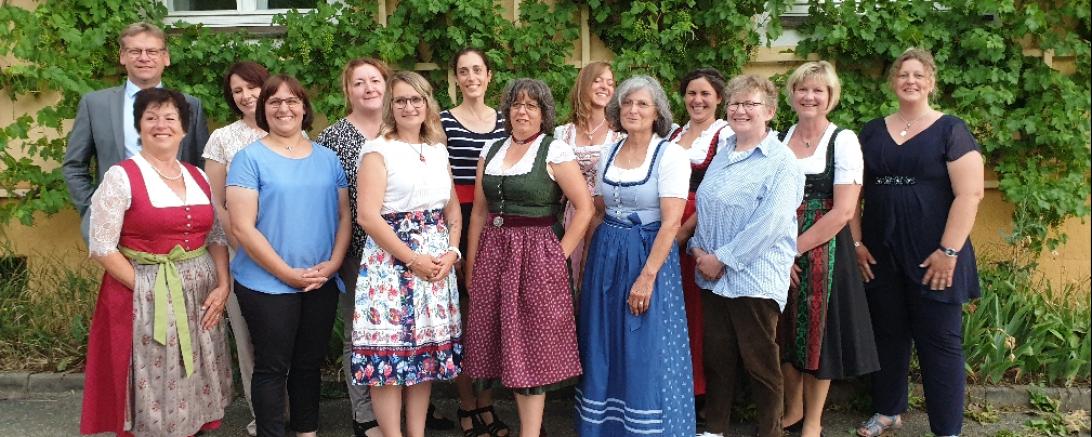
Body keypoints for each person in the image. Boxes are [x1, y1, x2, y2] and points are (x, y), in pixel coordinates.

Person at [80, 87, 232, 437]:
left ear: (183, 129)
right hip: (144, 296)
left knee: (192, 377)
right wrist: (148, 290)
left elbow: (216, 237)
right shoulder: (122, 177)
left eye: (169, 118)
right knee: (155, 379)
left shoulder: (198, 176)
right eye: (151, 118)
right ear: (140, 128)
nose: (160, 125)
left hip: (200, 295)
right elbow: (102, 246)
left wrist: (223, 285)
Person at [852, 48, 983, 437]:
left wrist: (949, 252)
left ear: (931, 82)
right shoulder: (872, 132)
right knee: (887, 334)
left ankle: (947, 429)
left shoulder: (951, 130)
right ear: (893, 82)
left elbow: (970, 194)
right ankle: (888, 410)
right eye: (903, 74)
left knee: (940, 343)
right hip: (881, 252)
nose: (910, 81)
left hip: (935, 257)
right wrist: (857, 243)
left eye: (918, 75)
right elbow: (853, 192)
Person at [463, 79, 594, 437]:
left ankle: (531, 433)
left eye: (531, 106)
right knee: (498, 340)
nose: (522, 111)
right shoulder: (490, 150)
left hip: (537, 256)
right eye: (516, 104)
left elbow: (583, 208)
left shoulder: (555, 152)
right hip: (494, 254)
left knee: (531, 345)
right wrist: (472, 267)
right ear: (506, 110)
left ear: (544, 114)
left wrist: (558, 255)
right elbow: (478, 212)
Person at [226, 75, 351, 437]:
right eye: (275, 102)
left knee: (308, 365)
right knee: (272, 367)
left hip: (320, 280)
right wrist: (287, 274)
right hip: (266, 284)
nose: (284, 108)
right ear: (264, 110)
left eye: (292, 100)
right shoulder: (248, 159)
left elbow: (344, 215)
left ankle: (306, 431)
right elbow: (242, 228)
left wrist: (333, 264)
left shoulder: (328, 159)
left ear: (304, 107)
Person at [575, 75, 695, 436]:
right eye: (627, 103)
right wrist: (584, 268)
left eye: (642, 103)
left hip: (647, 255)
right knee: (604, 342)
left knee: (644, 346)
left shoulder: (670, 154)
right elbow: (598, 209)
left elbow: (672, 221)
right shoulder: (609, 151)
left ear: (657, 111)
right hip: (606, 254)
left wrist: (647, 276)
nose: (633, 109)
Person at [689, 74, 804, 437]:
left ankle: (771, 431)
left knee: (760, 364)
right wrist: (698, 251)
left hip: (754, 277)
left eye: (750, 104)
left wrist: (721, 258)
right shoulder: (724, 153)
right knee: (718, 358)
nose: (740, 110)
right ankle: (714, 429)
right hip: (712, 275)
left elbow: (769, 224)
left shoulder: (783, 162)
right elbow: (707, 207)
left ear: (769, 112)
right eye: (735, 103)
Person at [352, 71, 463, 437]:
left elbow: (453, 212)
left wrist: (451, 253)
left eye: (416, 99)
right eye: (400, 100)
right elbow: (367, 216)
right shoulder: (377, 150)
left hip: (435, 266)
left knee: (423, 358)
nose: (409, 106)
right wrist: (412, 259)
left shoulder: (437, 150)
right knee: (388, 360)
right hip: (389, 266)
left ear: (427, 103)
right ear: (390, 106)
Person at [775, 61, 879, 437]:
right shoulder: (779, 137)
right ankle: (792, 408)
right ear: (792, 95)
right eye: (803, 89)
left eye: (818, 90)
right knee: (783, 329)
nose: (809, 96)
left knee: (820, 336)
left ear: (831, 97)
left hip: (825, 249)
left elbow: (844, 210)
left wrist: (793, 250)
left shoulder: (843, 140)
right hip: (780, 241)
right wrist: (777, 250)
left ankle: (814, 420)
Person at [64, 22, 209, 243]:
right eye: (135, 51)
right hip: (117, 226)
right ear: (123, 56)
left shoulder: (190, 106)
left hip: (175, 224)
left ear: (165, 58)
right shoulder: (95, 105)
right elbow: (74, 165)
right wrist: (94, 208)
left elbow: (200, 167)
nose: (144, 57)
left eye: (152, 51)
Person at [315, 57, 391, 437]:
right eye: (359, 82)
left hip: (401, 253)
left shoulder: (403, 128)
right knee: (359, 333)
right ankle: (365, 415)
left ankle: (399, 410)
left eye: (375, 80)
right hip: (357, 252)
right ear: (348, 90)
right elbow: (326, 201)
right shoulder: (331, 139)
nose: (368, 88)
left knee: (400, 333)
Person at [439, 47, 509, 436]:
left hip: (498, 221)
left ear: (488, 75)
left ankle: (487, 403)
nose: (471, 77)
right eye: (463, 71)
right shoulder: (444, 122)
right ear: (456, 78)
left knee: (492, 321)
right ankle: (467, 405)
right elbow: (443, 181)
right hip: (458, 219)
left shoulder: (505, 122)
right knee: (463, 318)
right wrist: (458, 240)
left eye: (477, 70)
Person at [202, 60, 269, 437]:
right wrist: (243, 239)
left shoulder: (292, 132)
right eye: (237, 91)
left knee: (285, 338)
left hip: (287, 252)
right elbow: (214, 201)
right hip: (239, 253)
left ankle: (292, 411)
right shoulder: (223, 138)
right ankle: (264, 417)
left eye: (251, 87)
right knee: (249, 340)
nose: (245, 96)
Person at [668, 67, 732, 406]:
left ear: (719, 98)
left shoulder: (724, 135)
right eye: (692, 93)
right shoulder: (675, 134)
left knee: (697, 311)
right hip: (669, 225)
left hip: (699, 230)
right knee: (671, 309)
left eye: (705, 94)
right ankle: (672, 384)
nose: (698, 100)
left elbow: (714, 192)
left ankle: (699, 392)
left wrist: (682, 232)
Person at [552, 61, 624, 290]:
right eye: (598, 80)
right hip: (571, 214)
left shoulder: (619, 135)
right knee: (568, 280)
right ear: (584, 84)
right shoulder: (563, 133)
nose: (605, 86)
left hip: (605, 216)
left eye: (610, 83)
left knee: (598, 280)